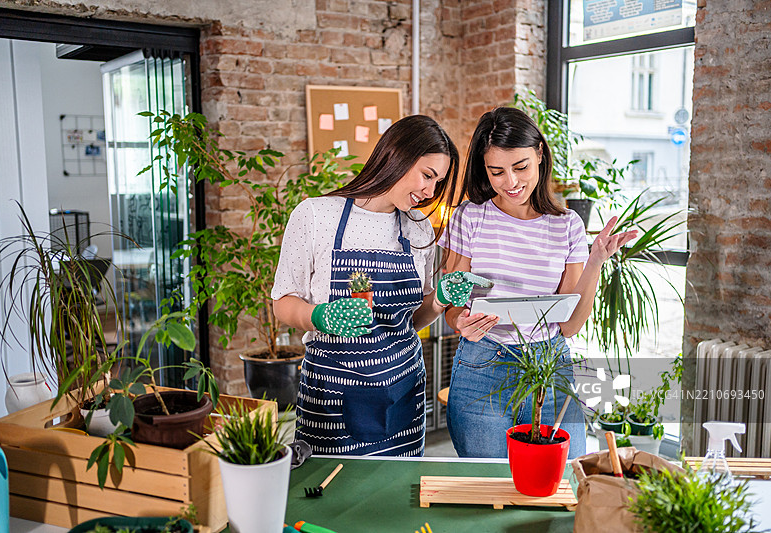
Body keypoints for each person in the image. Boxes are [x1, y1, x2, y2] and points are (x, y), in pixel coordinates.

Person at [272, 115, 487, 456]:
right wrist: (319, 316)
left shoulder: (419, 231)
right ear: (395, 155)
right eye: (427, 175)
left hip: (401, 393)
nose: (430, 192)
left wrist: (438, 300)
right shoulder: (316, 215)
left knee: (396, 495)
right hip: (332, 396)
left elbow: (411, 321)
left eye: (439, 181)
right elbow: (282, 302)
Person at [439, 107, 638, 459]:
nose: (511, 182)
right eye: (496, 171)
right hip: (483, 363)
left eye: (521, 167)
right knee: (490, 484)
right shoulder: (468, 217)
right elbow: (451, 305)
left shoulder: (567, 225)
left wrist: (595, 261)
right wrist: (460, 322)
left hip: (551, 364)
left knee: (563, 479)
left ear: (540, 155)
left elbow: (571, 324)